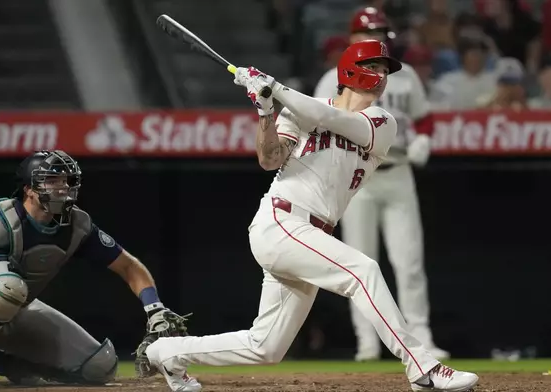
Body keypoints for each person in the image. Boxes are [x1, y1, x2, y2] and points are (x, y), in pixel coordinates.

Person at [134, 40, 479, 392]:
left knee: (265, 347)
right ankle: (422, 368)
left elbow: (329, 117)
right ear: (349, 71)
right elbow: (269, 159)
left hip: (312, 236)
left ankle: (168, 352)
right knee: (363, 271)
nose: (382, 75)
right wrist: (266, 111)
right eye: (374, 66)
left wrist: (276, 88)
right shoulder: (296, 113)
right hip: (281, 221)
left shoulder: (381, 121)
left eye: (385, 70)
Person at [0, 150, 192, 388]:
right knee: (9, 285)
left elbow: (129, 266)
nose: (62, 187)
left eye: (66, 180)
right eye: (51, 180)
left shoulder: (77, 225)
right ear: (29, 188)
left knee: (99, 366)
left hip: (16, 305)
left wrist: (154, 307)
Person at [313, 6, 449, 362]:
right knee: (359, 263)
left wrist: (424, 140)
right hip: (357, 179)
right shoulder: (334, 78)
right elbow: (317, 123)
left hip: (399, 172)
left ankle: (422, 339)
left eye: (380, 32)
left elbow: (425, 118)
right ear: (352, 37)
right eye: (366, 32)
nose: (374, 37)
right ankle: (368, 343)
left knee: (410, 263)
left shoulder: (402, 78)